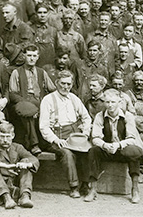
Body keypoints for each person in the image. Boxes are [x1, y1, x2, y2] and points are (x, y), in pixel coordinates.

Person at [39, 70, 92, 198]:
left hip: (75, 134)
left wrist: (85, 133)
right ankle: (74, 186)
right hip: (57, 135)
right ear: (57, 83)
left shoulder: (74, 98)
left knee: (88, 150)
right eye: (63, 83)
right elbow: (44, 126)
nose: (65, 87)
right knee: (67, 153)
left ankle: (85, 184)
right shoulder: (48, 100)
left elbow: (86, 117)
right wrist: (56, 140)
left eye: (68, 84)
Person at [86, 89, 143, 204]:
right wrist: (104, 145)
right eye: (107, 102)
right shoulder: (100, 116)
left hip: (122, 150)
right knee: (93, 151)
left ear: (119, 102)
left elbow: (131, 138)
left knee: (133, 151)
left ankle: (135, 189)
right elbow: (95, 137)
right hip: (107, 149)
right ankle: (92, 189)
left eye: (113, 102)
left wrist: (118, 145)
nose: (110, 105)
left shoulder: (128, 116)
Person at [0, 121, 39, 209]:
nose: (5, 140)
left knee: (26, 161)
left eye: (8, 136)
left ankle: (25, 196)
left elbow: (34, 159)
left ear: (13, 136)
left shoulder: (17, 147)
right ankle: (6, 198)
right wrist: (4, 165)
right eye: (2, 136)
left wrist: (26, 164)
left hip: (13, 181)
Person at [9, 45, 55, 154]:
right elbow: (12, 93)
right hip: (23, 100)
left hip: (39, 100)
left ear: (38, 57)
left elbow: (52, 89)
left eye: (34, 56)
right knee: (28, 111)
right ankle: (34, 144)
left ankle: (48, 142)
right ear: (24, 56)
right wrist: (26, 103)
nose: (31, 58)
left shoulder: (41, 72)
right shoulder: (17, 72)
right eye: (29, 55)